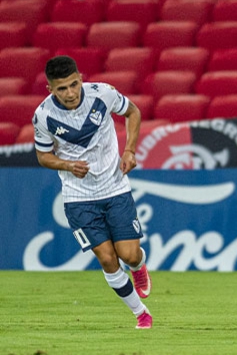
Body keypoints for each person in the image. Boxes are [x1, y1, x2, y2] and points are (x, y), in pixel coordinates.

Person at [33, 56, 153, 329]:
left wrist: (130, 150)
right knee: (107, 258)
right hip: (79, 197)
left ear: (81, 77)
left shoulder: (103, 94)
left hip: (114, 186)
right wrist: (66, 165)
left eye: (74, 84)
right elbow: (42, 155)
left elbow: (133, 112)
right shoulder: (43, 116)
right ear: (50, 89)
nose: (70, 93)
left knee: (129, 254)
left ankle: (138, 267)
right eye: (61, 89)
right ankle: (141, 314)